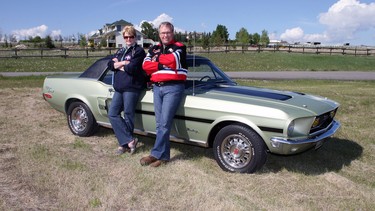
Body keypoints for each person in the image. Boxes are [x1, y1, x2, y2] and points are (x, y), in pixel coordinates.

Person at [140, 22, 188, 167]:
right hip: (156, 87)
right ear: (159, 34)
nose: (165, 35)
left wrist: (156, 59)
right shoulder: (154, 48)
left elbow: (172, 60)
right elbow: (145, 66)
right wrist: (161, 64)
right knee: (160, 123)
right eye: (162, 33)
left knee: (165, 124)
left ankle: (155, 154)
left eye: (167, 32)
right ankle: (164, 156)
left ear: (172, 33)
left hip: (173, 87)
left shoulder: (179, 47)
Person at [107, 25, 146, 155]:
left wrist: (120, 64)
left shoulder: (139, 51)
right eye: (126, 37)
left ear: (135, 37)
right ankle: (129, 140)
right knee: (112, 113)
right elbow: (110, 65)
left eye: (131, 36)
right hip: (119, 88)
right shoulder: (120, 51)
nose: (128, 39)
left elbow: (133, 68)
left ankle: (123, 144)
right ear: (123, 38)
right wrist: (123, 64)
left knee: (128, 115)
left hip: (132, 87)